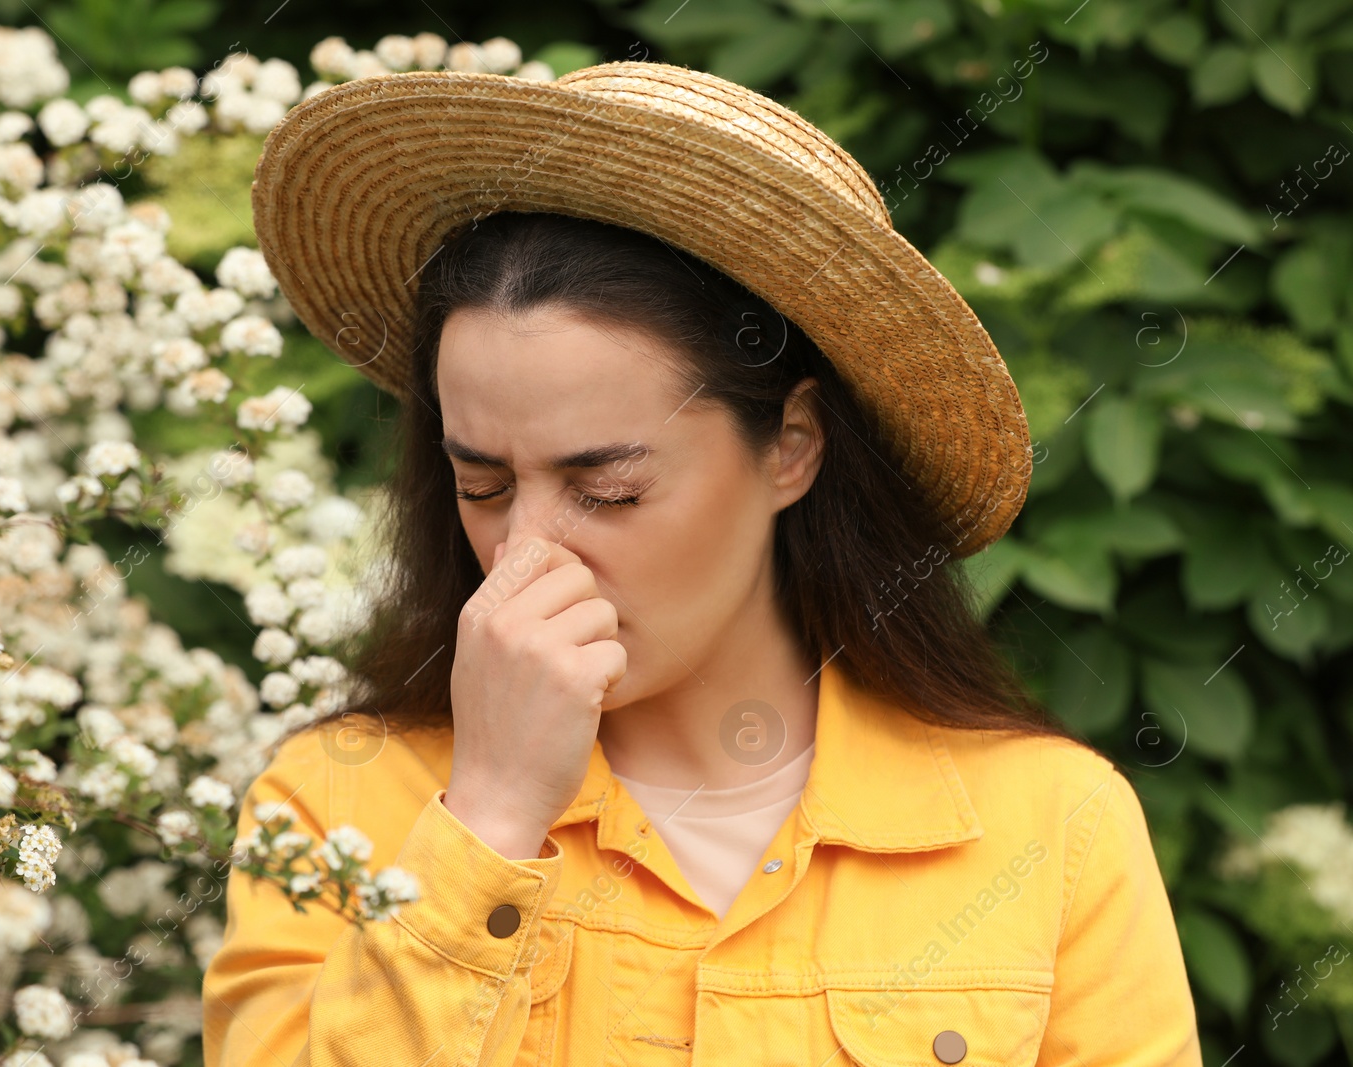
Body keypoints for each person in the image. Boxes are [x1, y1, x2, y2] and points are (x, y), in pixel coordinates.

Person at [203, 59, 1202, 1066]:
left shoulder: (1045, 825)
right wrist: (490, 816)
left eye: (607, 488)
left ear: (792, 445)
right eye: (484, 484)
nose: (527, 552)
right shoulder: (336, 805)